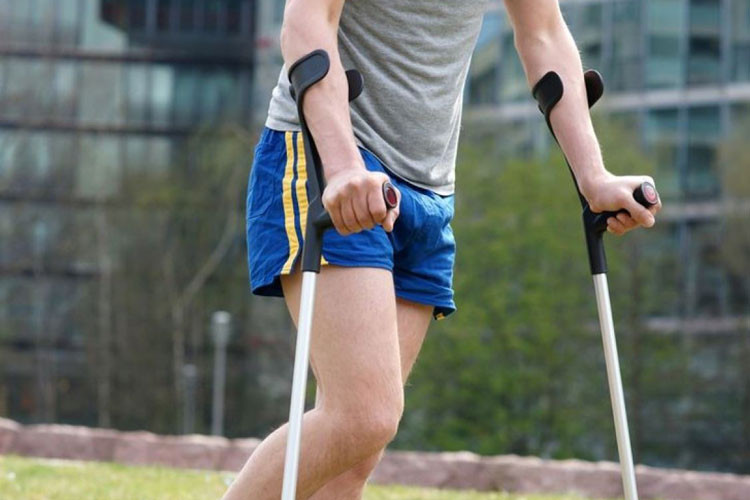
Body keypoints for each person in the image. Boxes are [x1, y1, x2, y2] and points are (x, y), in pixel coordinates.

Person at [225, 1, 662, 499]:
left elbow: (543, 32)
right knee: (362, 417)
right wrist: (343, 166)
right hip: (333, 162)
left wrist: (593, 176)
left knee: (351, 460)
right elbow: (306, 22)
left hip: (428, 188)